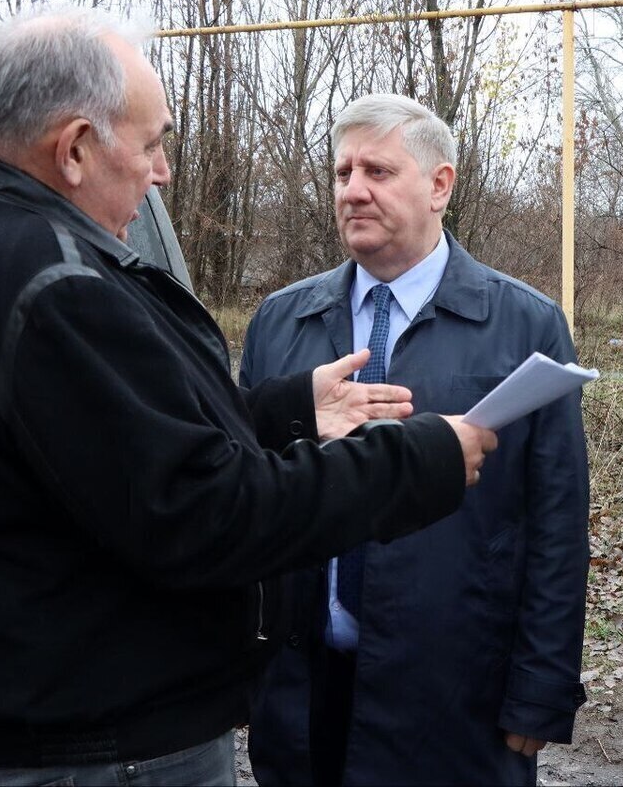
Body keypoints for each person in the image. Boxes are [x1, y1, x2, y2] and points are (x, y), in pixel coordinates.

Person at [0, 8, 497, 787]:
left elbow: (112, 455)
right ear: (74, 149)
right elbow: (209, 513)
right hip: (108, 754)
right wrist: (419, 460)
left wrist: (281, 411)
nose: (162, 172)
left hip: (62, 728)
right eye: (151, 143)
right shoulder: (54, 287)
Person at [243, 93, 590, 786]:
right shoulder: (281, 321)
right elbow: (242, 497)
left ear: (439, 185)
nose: (353, 191)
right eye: (343, 172)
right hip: (300, 696)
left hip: (455, 700)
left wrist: (542, 686)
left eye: (377, 171)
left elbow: (556, 521)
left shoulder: (523, 326)